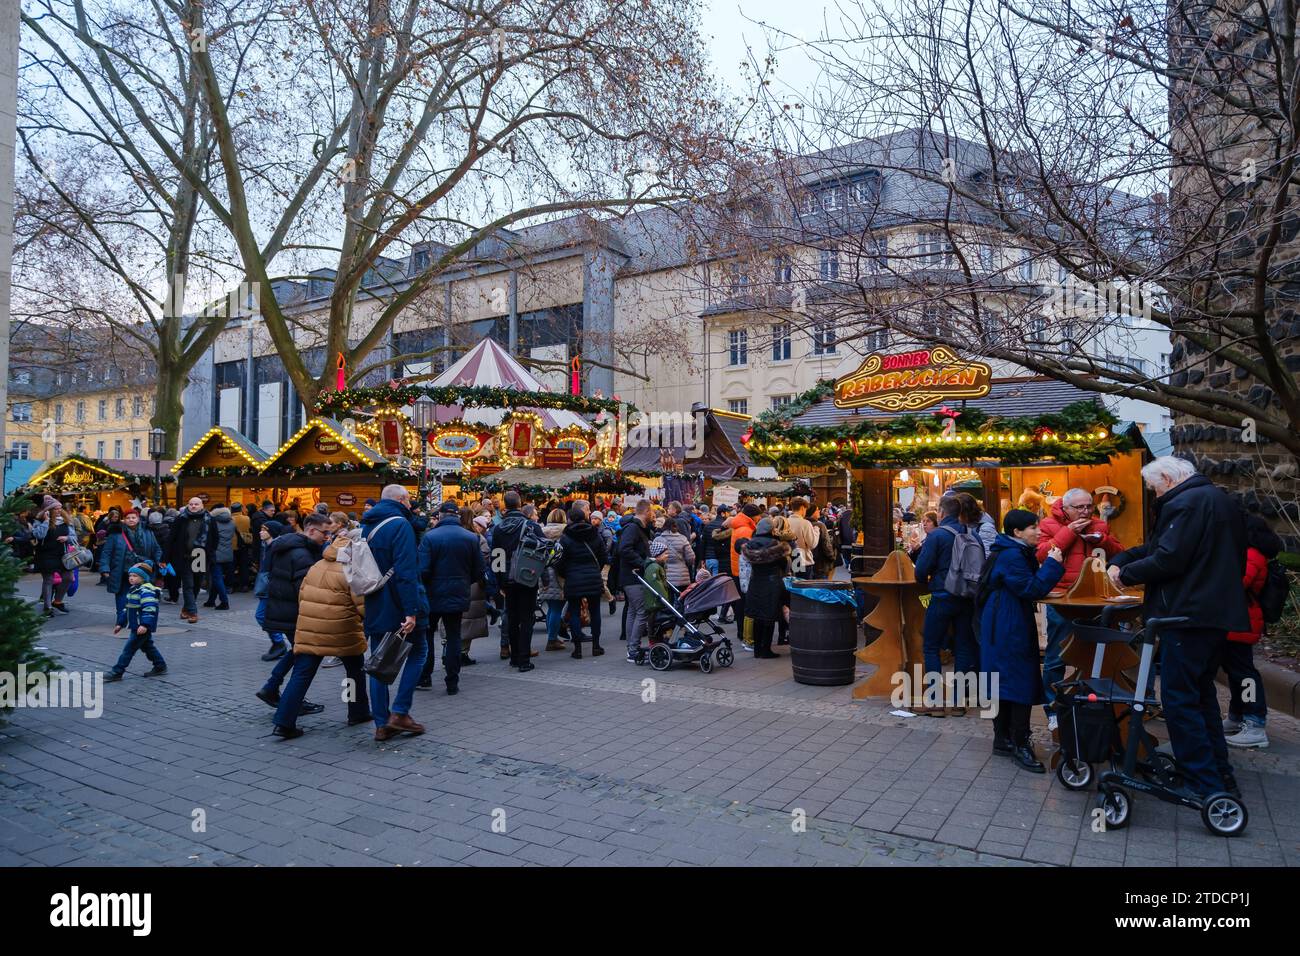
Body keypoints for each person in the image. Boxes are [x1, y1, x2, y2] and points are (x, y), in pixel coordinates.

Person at [1108, 456, 1249, 799]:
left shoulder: (1184, 503)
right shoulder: (1217, 500)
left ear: (1168, 479)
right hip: (1212, 614)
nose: (1154, 496)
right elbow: (1164, 549)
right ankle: (1220, 775)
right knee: (1201, 698)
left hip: (1185, 616)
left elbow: (1169, 558)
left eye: (1154, 488)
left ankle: (1202, 782)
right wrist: (1124, 558)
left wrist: (1124, 575)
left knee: (1180, 701)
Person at [978, 509, 1065, 771]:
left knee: (1003, 681)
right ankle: (1019, 743)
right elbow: (1031, 588)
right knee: (1018, 680)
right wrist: (1053, 563)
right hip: (1008, 623)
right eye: (1032, 528)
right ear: (1017, 532)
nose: (1038, 532)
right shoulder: (1013, 555)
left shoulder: (1010, 551)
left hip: (1002, 620)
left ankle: (1003, 740)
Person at [269, 530, 371, 739]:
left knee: (302, 674)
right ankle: (357, 711)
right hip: (343, 629)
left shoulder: (317, 565)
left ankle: (284, 721)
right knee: (354, 671)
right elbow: (362, 605)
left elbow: (302, 593)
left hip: (310, 627)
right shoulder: (351, 569)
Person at [1036, 488, 1124, 725]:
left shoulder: (1099, 525)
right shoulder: (1048, 524)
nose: (1086, 511)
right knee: (1056, 656)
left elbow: (1120, 553)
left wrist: (1103, 540)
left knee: (1094, 655)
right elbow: (1041, 555)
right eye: (1080, 507)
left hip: (1094, 600)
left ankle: (1089, 704)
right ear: (1065, 508)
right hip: (1062, 599)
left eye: (1088, 506)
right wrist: (1067, 533)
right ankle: (1052, 709)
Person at [359, 485, 427, 739]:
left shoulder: (368, 526)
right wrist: (411, 610)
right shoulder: (400, 525)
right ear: (400, 499)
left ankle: (381, 722)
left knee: (379, 661)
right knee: (419, 651)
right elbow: (406, 571)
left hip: (375, 599)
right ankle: (399, 712)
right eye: (408, 500)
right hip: (399, 602)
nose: (410, 505)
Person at [256, 513, 331, 717]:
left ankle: (272, 687)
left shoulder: (288, 546)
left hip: (283, 610)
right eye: (324, 533)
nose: (327, 537)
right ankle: (288, 700)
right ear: (311, 530)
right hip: (294, 613)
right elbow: (305, 589)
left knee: (299, 651)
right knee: (304, 655)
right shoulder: (302, 554)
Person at [1220, 513, 1280, 749]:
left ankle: (1254, 722)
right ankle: (1239, 716)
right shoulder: (1250, 552)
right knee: (1237, 673)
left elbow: (1237, 583)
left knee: (1244, 674)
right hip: (1238, 621)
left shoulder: (1252, 554)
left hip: (1241, 622)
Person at [913, 495, 977, 710]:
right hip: (967, 597)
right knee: (963, 648)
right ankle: (959, 702)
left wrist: (924, 581)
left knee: (931, 646)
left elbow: (921, 570)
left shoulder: (937, 535)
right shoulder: (971, 534)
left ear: (941, 512)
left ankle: (935, 702)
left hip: (941, 595)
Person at [417, 500, 486, 694]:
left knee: (427, 636)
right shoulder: (471, 538)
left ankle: (425, 676)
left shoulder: (430, 537)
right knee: (454, 636)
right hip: (458, 592)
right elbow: (479, 570)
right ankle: (452, 681)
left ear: (440, 516)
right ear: (456, 516)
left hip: (432, 595)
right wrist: (464, 581)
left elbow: (422, 570)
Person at [489, 490, 546, 670]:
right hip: (527, 576)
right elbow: (542, 552)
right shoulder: (531, 526)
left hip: (507, 578)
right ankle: (523, 659)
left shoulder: (498, 528)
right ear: (520, 504)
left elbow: (496, 556)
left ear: (505, 505)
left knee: (512, 617)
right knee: (527, 618)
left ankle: (514, 657)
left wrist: (499, 581)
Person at [554, 502, 608, 659]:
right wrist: (595, 570)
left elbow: (558, 561)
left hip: (573, 579)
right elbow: (604, 556)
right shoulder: (594, 533)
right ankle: (596, 645)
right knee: (595, 612)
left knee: (575, 613)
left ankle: (577, 648)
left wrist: (566, 574)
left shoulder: (565, 537)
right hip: (592, 578)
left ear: (570, 519)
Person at [104, 562, 167, 681]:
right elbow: (126, 608)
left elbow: (149, 609)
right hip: (136, 625)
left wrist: (145, 624)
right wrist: (120, 624)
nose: (131, 578)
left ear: (143, 577)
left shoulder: (146, 591)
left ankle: (117, 671)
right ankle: (160, 665)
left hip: (141, 626)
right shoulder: (133, 589)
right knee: (148, 647)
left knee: (129, 649)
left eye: (135, 576)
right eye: (130, 575)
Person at [99, 508, 163, 618]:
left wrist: (160, 561)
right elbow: (106, 552)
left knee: (142, 594)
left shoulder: (148, 532)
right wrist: (105, 568)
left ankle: (139, 617)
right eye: (128, 518)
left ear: (138, 519)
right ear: (124, 520)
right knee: (122, 594)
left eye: (133, 517)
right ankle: (122, 618)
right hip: (122, 569)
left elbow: (156, 549)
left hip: (143, 570)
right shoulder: (116, 533)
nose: (131, 520)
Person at [742, 517, 791, 659]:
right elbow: (785, 565)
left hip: (755, 582)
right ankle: (766, 649)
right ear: (771, 529)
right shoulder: (776, 544)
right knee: (769, 617)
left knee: (757, 617)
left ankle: (757, 649)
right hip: (772, 583)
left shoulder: (750, 544)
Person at [616, 499, 653, 663]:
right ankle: (633, 649)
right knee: (641, 611)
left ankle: (631, 647)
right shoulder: (633, 528)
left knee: (633, 611)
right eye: (651, 511)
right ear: (646, 511)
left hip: (632, 576)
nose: (653, 515)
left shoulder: (639, 528)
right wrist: (642, 562)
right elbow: (624, 549)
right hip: (633, 576)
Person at [168, 498, 212, 623]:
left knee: (197, 585)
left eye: (196, 504)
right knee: (188, 585)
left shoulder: (209, 519)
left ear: (202, 505)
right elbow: (171, 538)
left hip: (201, 556)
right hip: (185, 557)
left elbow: (214, 538)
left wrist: (211, 554)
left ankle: (186, 609)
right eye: (191, 504)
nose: (193, 506)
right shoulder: (181, 518)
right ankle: (193, 612)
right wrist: (166, 557)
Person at [31, 498, 74, 617]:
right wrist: (46, 521)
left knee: (69, 578)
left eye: (60, 508)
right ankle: (47, 607)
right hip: (46, 554)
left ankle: (58, 601)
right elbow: (39, 535)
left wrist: (67, 538)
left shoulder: (66, 521)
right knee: (48, 580)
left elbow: (74, 536)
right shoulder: (40, 520)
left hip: (63, 555)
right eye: (55, 509)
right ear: (48, 510)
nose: (59, 511)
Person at [254, 520, 290, 660]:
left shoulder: (275, 548)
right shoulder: (267, 546)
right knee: (266, 616)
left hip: (271, 587)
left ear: (272, 532)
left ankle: (279, 642)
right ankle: (278, 643)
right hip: (267, 586)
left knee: (261, 615)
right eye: (261, 529)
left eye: (264, 530)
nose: (260, 532)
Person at [723, 504, 760, 637]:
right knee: (745, 604)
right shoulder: (745, 529)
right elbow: (749, 552)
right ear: (752, 516)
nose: (759, 518)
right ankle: (744, 632)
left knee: (740, 603)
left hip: (737, 570)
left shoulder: (739, 526)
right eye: (758, 515)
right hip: (743, 572)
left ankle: (741, 631)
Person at [537, 508, 570, 652]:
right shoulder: (566, 532)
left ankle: (553, 636)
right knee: (557, 608)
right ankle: (552, 639)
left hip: (544, 573)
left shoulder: (541, 531)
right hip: (559, 573)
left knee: (551, 608)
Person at [203, 506, 236, 610]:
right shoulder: (232, 522)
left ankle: (224, 601)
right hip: (228, 554)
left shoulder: (213, 523)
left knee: (217, 578)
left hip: (216, 554)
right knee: (217, 577)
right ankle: (211, 600)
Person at [657, 515, 694, 589]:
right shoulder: (683, 539)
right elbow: (691, 557)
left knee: (667, 599)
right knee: (681, 598)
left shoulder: (658, 539)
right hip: (681, 576)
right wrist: (686, 564)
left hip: (664, 575)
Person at [785, 498, 819, 577]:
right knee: (804, 587)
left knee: (792, 587)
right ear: (802, 508)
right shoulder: (805, 523)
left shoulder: (785, 521)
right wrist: (816, 531)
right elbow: (812, 544)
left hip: (789, 561)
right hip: (803, 561)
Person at [810, 504, 839, 579]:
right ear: (812, 512)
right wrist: (832, 557)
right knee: (822, 585)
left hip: (806, 562)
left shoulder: (804, 524)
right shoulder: (820, 525)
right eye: (817, 510)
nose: (819, 511)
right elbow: (826, 544)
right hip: (820, 562)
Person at [230, 502, 253, 591]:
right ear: (240, 509)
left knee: (231, 566)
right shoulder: (246, 518)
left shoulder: (229, 519)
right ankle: (244, 585)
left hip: (231, 546)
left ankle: (231, 585)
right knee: (244, 566)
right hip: (243, 544)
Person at [837, 503, 855, 570]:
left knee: (846, 551)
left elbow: (839, 527)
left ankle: (847, 564)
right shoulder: (855, 515)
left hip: (844, 538)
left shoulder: (842, 515)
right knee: (854, 551)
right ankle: (852, 564)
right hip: (853, 538)